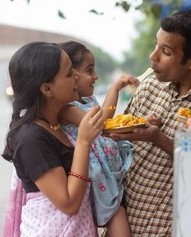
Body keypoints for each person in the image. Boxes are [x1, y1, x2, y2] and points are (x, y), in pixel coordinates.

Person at [109, 9, 191, 235]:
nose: (153, 57)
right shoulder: (148, 88)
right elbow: (118, 150)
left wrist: (157, 138)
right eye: (156, 46)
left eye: (166, 51)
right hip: (123, 226)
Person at [2, 41, 104, 236]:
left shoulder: (55, 123)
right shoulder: (31, 138)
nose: (76, 76)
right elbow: (69, 203)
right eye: (68, 73)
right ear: (47, 89)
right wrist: (83, 141)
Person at [58, 41, 137, 236]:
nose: (95, 76)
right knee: (116, 215)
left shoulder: (87, 100)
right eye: (89, 70)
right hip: (95, 178)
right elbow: (101, 121)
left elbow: (106, 121)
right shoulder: (65, 107)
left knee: (118, 214)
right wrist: (114, 89)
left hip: (108, 174)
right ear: (71, 75)